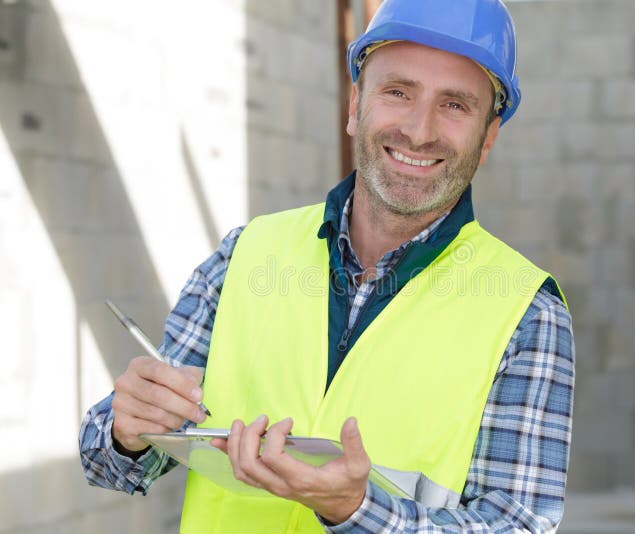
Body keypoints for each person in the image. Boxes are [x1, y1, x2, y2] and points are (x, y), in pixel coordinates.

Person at [79, 0, 575, 532]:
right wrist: (128, 429)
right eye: (398, 91)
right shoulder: (244, 256)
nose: (419, 129)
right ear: (355, 102)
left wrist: (357, 510)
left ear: (488, 137)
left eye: (454, 105)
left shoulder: (526, 314)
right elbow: (108, 460)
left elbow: (518, 525)